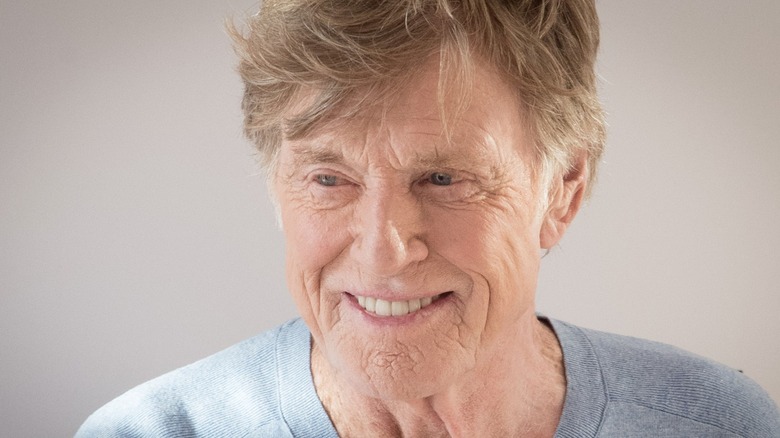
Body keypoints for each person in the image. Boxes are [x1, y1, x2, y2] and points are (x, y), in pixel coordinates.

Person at [77, 0, 779, 436]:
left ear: (561, 191)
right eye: (329, 178)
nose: (383, 251)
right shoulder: (153, 433)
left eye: (444, 178)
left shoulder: (717, 425)